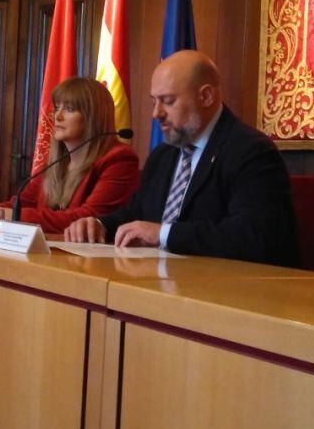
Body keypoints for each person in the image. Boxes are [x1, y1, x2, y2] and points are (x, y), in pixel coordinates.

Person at [64, 50, 299, 267]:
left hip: (226, 293)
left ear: (206, 96)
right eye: (153, 101)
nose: (156, 113)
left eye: (168, 101)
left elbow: (255, 236)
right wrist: (99, 225)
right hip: (161, 283)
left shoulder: (251, 152)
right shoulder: (163, 155)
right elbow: (137, 213)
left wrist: (164, 234)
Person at [0, 77, 139, 233]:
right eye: (57, 108)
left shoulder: (119, 160)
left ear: (93, 117)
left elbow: (88, 219)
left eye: (69, 109)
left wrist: (5, 215)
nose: (57, 116)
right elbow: (22, 203)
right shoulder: (56, 162)